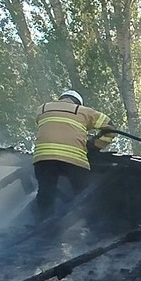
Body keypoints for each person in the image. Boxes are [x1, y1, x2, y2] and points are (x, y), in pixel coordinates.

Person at [32, 90, 114, 221]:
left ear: (61, 98)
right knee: (83, 194)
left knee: (45, 194)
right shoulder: (84, 111)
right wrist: (94, 145)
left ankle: (42, 224)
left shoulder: (42, 109)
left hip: (43, 158)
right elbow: (111, 127)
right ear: (78, 102)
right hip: (74, 160)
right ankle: (88, 225)